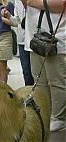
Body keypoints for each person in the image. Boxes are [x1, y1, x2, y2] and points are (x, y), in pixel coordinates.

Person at [21, 0, 66, 132]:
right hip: (34, 37)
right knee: (39, 81)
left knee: (57, 82)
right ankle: (44, 113)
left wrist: (34, 2)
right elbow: (27, 5)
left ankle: (59, 118)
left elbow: (61, 4)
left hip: (57, 39)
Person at [0, 0, 17, 83]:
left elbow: (13, 22)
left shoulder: (9, 5)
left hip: (4, 35)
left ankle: (2, 91)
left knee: (2, 67)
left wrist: (0, 18)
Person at [14, 0, 34, 86]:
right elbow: (16, 21)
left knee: (36, 72)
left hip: (35, 40)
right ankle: (29, 94)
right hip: (22, 40)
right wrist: (7, 16)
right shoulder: (17, 1)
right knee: (26, 71)